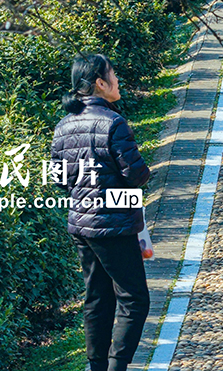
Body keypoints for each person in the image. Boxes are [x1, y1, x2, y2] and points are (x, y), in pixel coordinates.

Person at [50, 54, 150, 371]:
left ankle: (97, 367)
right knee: (134, 299)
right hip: (112, 224)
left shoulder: (64, 125)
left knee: (97, 298)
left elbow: (59, 179)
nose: (117, 80)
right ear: (100, 83)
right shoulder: (113, 123)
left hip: (81, 224)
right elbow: (136, 174)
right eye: (113, 74)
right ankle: (116, 367)